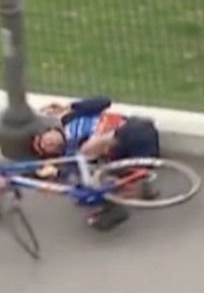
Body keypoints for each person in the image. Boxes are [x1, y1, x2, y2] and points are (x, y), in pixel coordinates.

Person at [29, 95, 159, 230]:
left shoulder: (70, 119)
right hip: (129, 152)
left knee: (90, 149)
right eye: (46, 148)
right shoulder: (71, 155)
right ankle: (116, 206)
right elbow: (73, 174)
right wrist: (57, 172)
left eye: (43, 140)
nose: (48, 143)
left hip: (134, 128)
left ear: (49, 131)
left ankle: (142, 183)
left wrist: (70, 107)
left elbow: (104, 101)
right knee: (83, 180)